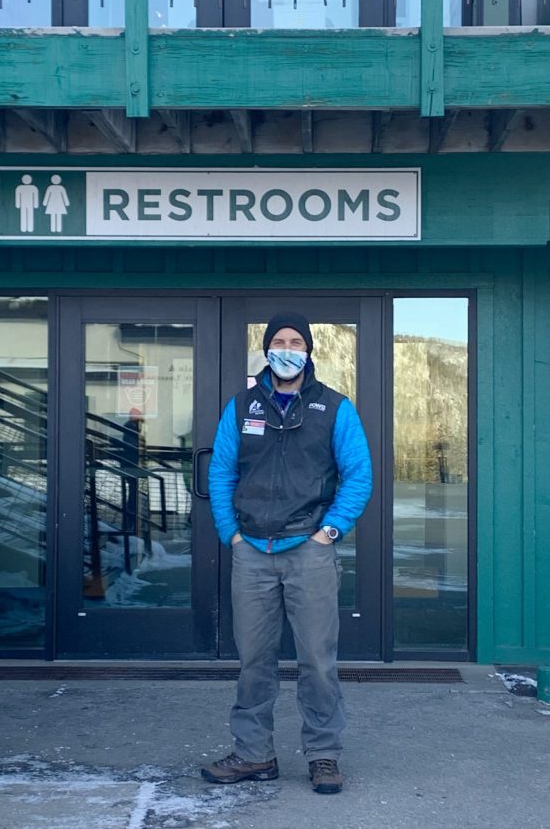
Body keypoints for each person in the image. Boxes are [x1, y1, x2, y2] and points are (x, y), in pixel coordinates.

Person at [201, 312, 372, 795]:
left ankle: (323, 755)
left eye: (297, 341)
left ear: (309, 351)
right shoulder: (240, 408)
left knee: (317, 660)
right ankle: (254, 754)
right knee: (254, 660)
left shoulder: (335, 408)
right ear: (266, 348)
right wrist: (231, 533)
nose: (288, 348)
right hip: (252, 550)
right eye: (280, 340)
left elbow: (358, 474)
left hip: (309, 551)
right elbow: (221, 473)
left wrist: (331, 531)